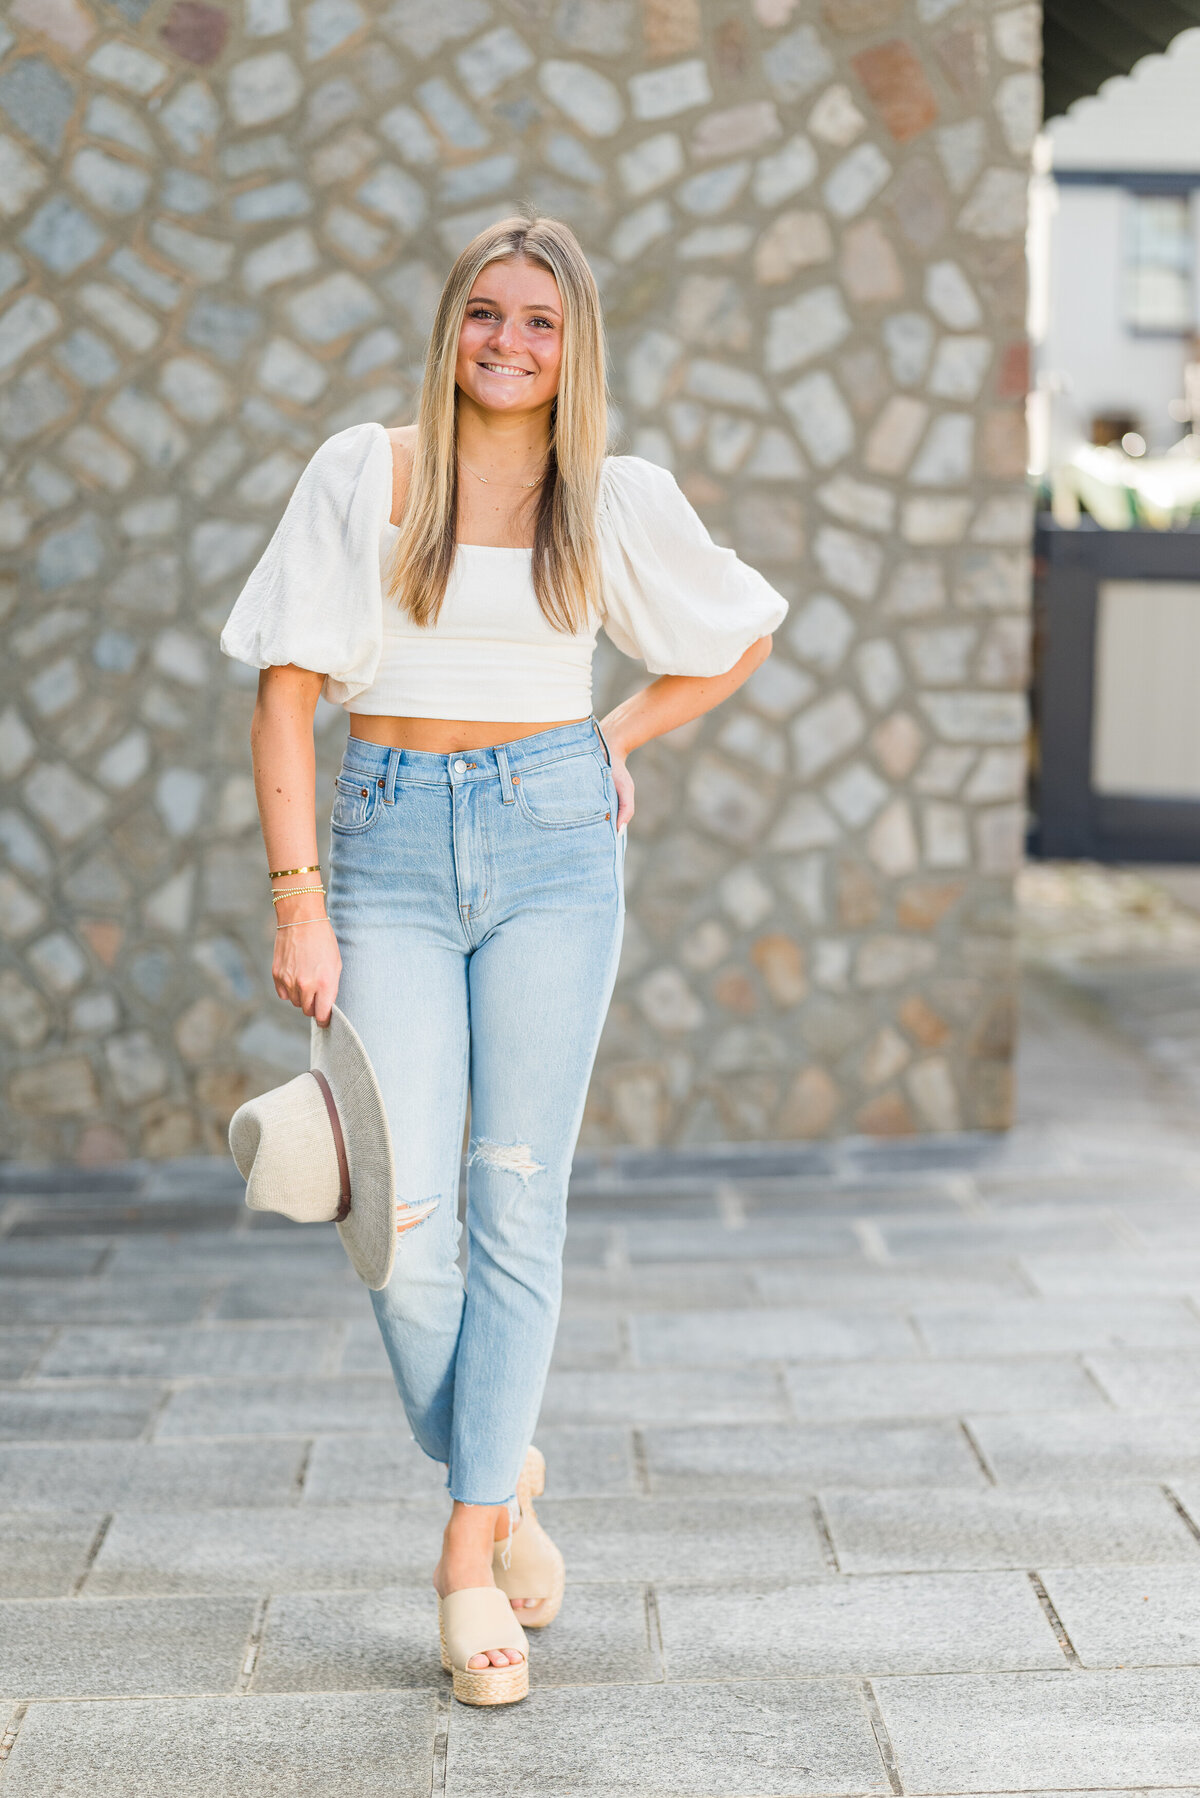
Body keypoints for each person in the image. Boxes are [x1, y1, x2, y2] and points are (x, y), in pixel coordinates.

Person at [221, 212, 788, 1704]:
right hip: (389, 843)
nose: (510, 343)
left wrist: (613, 733)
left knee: (514, 1197)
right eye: (489, 312)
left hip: (552, 842)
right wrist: (298, 897)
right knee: (401, 1225)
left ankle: (467, 1551)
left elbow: (736, 634)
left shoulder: (610, 497)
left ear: (574, 342)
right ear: (452, 324)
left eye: (541, 320)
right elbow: (286, 695)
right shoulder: (369, 473)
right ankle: (504, 1448)